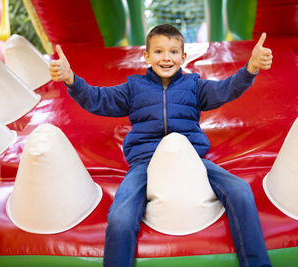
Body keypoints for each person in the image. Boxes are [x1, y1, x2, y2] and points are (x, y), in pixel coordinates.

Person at [49, 24, 273, 267]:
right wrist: (71, 80)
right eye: (158, 52)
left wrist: (250, 68)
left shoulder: (194, 86)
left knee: (240, 190)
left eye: (173, 52)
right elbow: (99, 99)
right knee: (120, 217)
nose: (166, 58)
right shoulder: (133, 89)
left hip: (191, 160)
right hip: (145, 163)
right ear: (146, 56)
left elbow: (225, 89)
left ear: (183, 57)